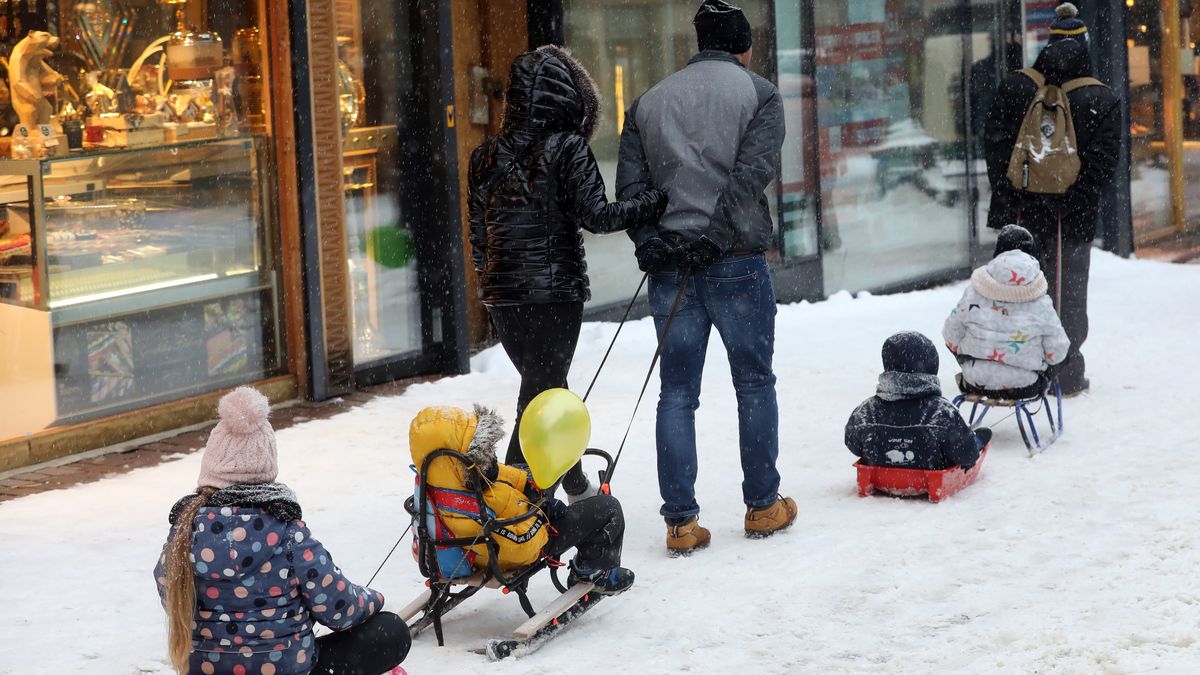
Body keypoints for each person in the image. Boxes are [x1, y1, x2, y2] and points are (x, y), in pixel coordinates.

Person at [616, 0, 795, 555]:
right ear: (744, 47)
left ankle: (681, 523)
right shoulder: (760, 95)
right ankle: (763, 505)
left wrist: (649, 243)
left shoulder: (649, 101)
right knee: (754, 382)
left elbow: (631, 189)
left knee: (675, 392)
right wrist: (717, 237)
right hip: (736, 258)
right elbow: (750, 177)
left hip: (672, 266)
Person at [468, 45, 667, 502]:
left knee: (546, 387)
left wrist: (490, 283)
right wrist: (652, 203)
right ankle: (517, 506)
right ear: (568, 98)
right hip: (555, 294)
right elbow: (597, 216)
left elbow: (479, 236)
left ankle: (573, 483)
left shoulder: (483, 156)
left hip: (504, 297)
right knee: (540, 398)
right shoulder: (567, 147)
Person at [153, 387, 410, 675]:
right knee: (391, 631)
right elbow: (340, 608)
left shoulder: (184, 531)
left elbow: (170, 595)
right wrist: (373, 600)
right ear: (266, 467)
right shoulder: (289, 533)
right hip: (288, 670)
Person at [983, 2, 1121, 396]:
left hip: (1020, 211)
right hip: (1071, 217)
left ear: (1048, 42)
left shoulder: (1015, 86)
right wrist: (1072, 198)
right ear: (1086, 45)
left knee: (1016, 289)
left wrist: (1013, 192)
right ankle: (1065, 372)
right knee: (1068, 292)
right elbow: (1104, 162)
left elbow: (994, 147)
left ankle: (1013, 370)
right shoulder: (1100, 97)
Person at [408, 404, 633, 593]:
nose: (492, 456)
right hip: (509, 550)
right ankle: (593, 570)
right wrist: (543, 513)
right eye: (484, 450)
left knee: (534, 476)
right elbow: (521, 543)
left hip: (469, 550)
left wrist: (526, 482)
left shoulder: (441, 480)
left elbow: (497, 476)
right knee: (608, 508)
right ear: (467, 456)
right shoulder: (482, 499)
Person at [943, 225, 1072, 400]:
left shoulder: (974, 291)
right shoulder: (1040, 300)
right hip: (1024, 383)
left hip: (975, 380)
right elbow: (1058, 349)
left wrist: (970, 357)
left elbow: (950, 334)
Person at [846, 332, 988, 472]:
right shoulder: (942, 412)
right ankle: (978, 440)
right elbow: (967, 454)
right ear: (931, 365)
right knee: (981, 436)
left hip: (879, 475)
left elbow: (853, 443)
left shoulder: (866, 410)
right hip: (931, 479)